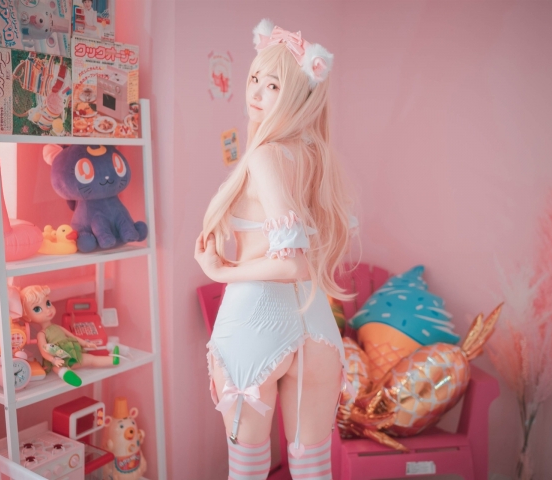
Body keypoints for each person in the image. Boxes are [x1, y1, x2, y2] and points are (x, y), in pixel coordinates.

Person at [195, 19, 357, 480]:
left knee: (247, 473)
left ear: (297, 97)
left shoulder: (266, 156)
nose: (257, 92)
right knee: (313, 471)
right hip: (316, 328)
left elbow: (293, 265)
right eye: (255, 79)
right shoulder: (312, 155)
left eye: (274, 85)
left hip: (256, 322)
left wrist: (220, 272)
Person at [20, 285, 119, 387]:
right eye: (37, 309)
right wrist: (54, 360)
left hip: (71, 353)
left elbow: (72, 337)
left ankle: (113, 360)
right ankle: (65, 373)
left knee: (91, 359)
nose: (47, 310)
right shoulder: (41, 334)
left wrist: (85, 343)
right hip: (57, 357)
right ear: (28, 318)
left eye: (48, 303)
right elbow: (44, 351)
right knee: (57, 366)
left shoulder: (57, 327)